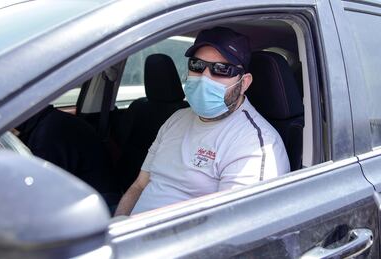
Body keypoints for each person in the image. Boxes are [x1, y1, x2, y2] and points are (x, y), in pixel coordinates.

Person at [115, 27, 290, 216]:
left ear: (244, 83)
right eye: (197, 65)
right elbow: (140, 185)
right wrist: (117, 225)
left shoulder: (255, 144)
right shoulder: (176, 119)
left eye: (221, 69)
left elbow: (232, 229)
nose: (205, 77)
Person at [15, 105, 119, 207]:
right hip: (93, 195)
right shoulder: (50, 121)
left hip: (99, 206)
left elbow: (42, 193)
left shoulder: (47, 137)